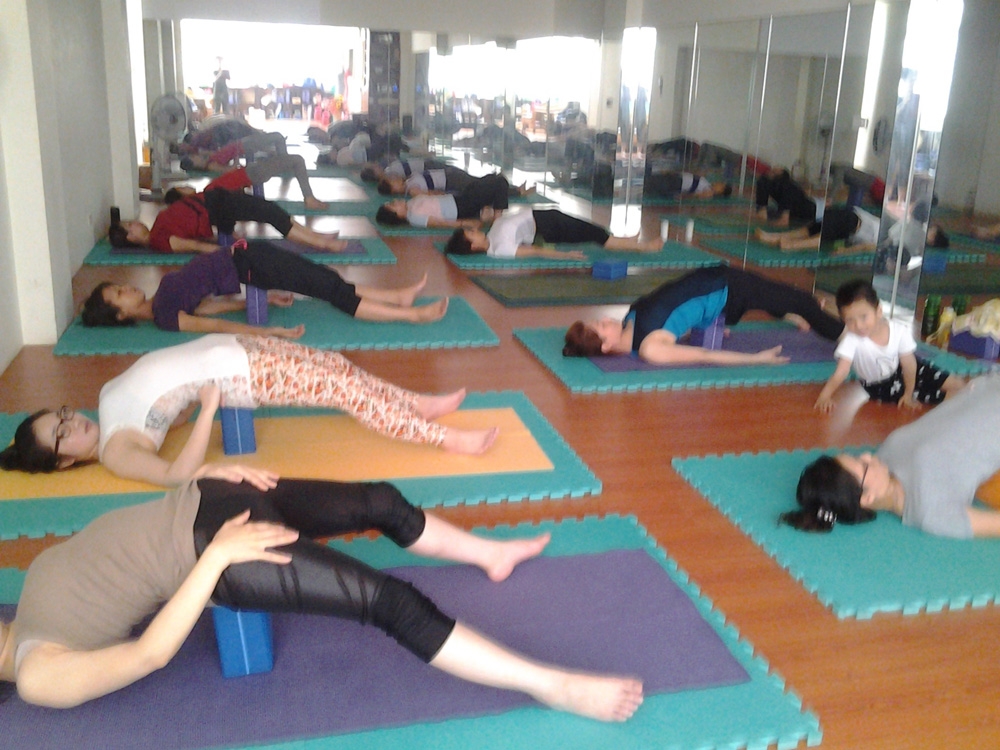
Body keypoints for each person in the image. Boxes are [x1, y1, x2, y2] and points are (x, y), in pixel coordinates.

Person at [0, 469, 643, 719]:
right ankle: (549, 684)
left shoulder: (25, 605)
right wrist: (218, 556)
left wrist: (198, 476)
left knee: (380, 501)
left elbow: (121, 544)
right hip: (218, 556)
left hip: (210, 499)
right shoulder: (37, 676)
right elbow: (149, 655)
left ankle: (489, 553)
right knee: (392, 603)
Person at [0, 334, 500, 486]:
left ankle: (416, 404)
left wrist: (185, 407)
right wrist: (207, 409)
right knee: (343, 391)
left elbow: (160, 401)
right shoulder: (114, 452)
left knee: (337, 364)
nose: (72, 422)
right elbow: (175, 475)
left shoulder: (108, 405)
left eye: (60, 416)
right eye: (62, 434)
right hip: (239, 375)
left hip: (231, 346)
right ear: (64, 461)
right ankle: (446, 439)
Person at [782, 373, 1000, 538]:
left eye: (857, 457)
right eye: (863, 465)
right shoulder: (932, 513)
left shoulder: (887, 456)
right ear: (867, 498)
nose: (867, 455)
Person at [81, 239, 446, 336]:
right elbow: (212, 324)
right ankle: (412, 316)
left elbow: (205, 306)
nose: (127, 288)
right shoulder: (163, 315)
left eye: (119, 286)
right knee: (331, 289)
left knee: (326, 279)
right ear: (120, 314)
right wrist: (267, 331)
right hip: (252, 266)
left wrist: (260, 301)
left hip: (248, 256)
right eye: (119, 295)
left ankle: (398, 297)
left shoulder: (164, 297)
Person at [562, 265, 843, 365]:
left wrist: (709, 327)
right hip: (728, 289)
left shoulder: (630, 318)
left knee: (779, 297)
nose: (606, 320)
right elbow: (705, 355)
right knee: (803, 302)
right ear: (606, 346)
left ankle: (789, 313)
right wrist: (756, 359)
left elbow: (675, 316)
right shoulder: (651, 349)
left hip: (714, 282)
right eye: (601, 326)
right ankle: (844, 335)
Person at [813, 280, 964, 412]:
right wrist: (824, 396)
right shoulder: (852, 340)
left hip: (904, 368)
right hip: (880, 385)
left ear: (878, 311)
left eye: (864, 317)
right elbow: (842, 371)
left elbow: (910, 364)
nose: (858, 325)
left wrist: (909, 393)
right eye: (850, 320)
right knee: (949, 395)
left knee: (957, 385)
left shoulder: (898, 331)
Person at [108, 186, 345, 254]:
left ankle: (317, 237)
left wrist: (226, 233)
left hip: (217, 206)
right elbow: (193, 245)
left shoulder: (158, 225)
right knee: (271, 213)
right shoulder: (159, 240)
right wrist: (226, 251)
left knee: (272, 211)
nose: (134, 222)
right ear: (131, 237)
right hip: (218, 209)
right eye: (129, 226)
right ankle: (322, 243)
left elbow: (194, 229)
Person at [444, 208, 664, 261]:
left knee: (592, 231)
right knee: (595, 235)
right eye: (471, 233)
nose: (474, 231)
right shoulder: (499, 249)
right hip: (549, 227)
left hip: (546, 220)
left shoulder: (492, 236)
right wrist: (565, 256)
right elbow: (535, 251)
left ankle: (627, 240)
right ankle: (644, 247)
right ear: (473, 246)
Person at [175, 151, 330, 211]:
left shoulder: (208, 191)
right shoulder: (209, 193)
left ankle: (308, 197)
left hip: (251, 172)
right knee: (298, 159)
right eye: (182, 188)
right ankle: (309, 198)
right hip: (252, 173)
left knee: (294, 160)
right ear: (185, 197)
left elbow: (234, 193)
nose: (186, 185)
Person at [756, 207, 948, 253]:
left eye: (933, 232)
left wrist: (846, 251)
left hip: (859, 226)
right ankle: (776, 237)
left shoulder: (911, 243)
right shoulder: (914, 230)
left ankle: (791, 245)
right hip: (860, 222)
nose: (930, 229)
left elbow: (874, 247)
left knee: (828, 228)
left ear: (932, 240)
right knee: (820, 224)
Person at [375, 173, 512, 230]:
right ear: (398, 215)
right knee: (500, 182)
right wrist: (466, 223)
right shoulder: (414, 217)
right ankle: (497, 221)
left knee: (488, 179)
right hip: (462, 208)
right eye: (393, 205)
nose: (395, 201)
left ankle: (487, 210)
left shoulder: (410, 204)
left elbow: (433, 196)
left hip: (458, 199)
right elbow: (441, 223)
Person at [644, 171, 733, 200]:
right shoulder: (708, 184)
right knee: (651, 180)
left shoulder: (709, 192)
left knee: (651, 182)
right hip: (677, 178)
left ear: (721, 190)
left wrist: (682, 196)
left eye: (721, 185)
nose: (719, 183)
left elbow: (695, 195)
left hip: (678, 183)